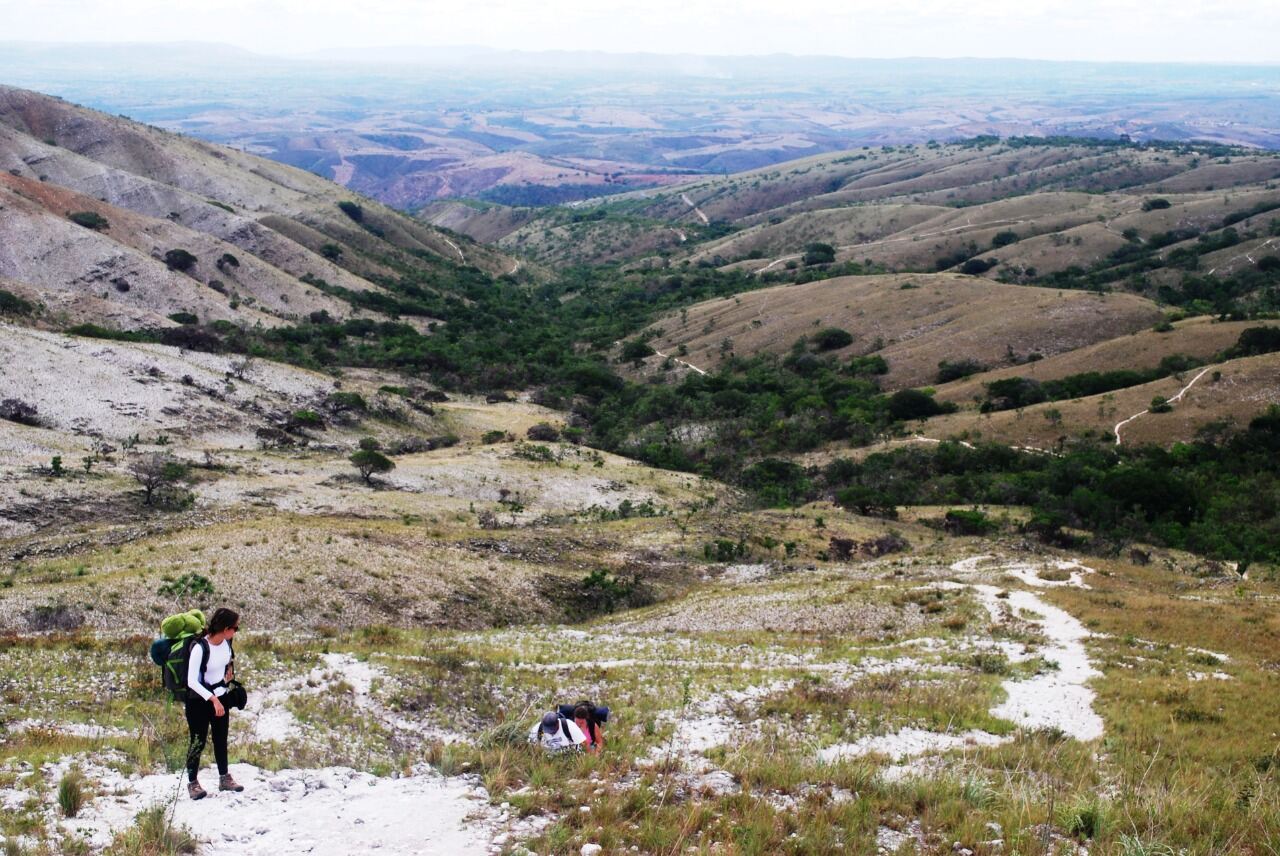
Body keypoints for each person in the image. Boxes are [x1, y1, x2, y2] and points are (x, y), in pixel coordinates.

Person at [185, 607, 243, 799]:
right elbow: (191, 681)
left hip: (221, 695)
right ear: (225, 629)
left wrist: (228, 676)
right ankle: (193, 783)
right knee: (198, 741)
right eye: (235, 628)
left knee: (221, 738)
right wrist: (213, 699)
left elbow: (224, 663)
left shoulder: (227, 643)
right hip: (199, 701)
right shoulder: (200, 648)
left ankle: (224, 778)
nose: (236, 631)